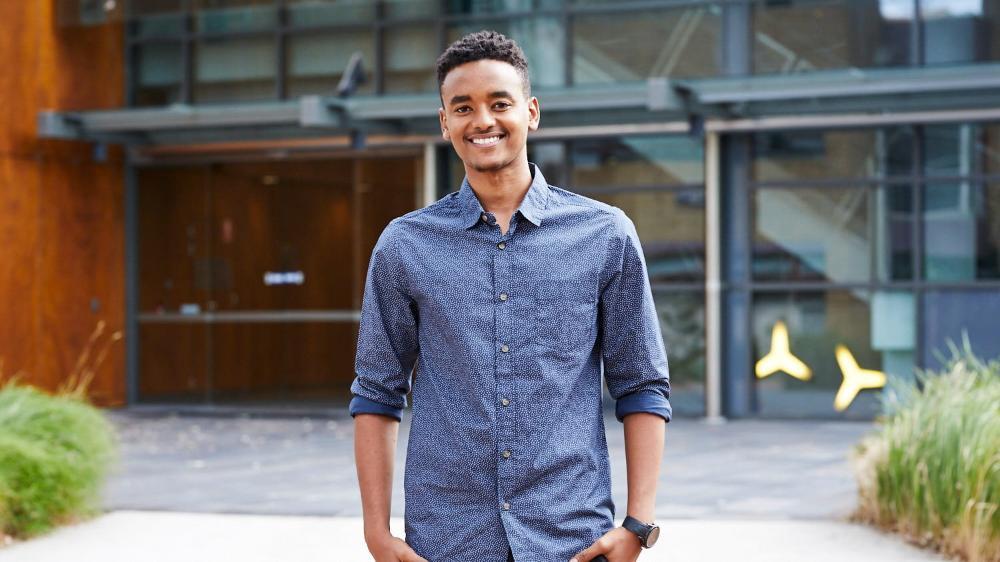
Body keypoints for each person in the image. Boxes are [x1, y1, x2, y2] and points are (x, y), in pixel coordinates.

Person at [350, 30, 671, 562]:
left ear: (532, 112)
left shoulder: (605, 234)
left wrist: (638, 525)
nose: (483, 121)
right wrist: (377, 534)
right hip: (446, 540)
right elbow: (376, 393)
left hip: (571, 538)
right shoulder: (405, 245)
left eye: (500, 103)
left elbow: (642, 383)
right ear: (444, 122)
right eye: (463, 107)